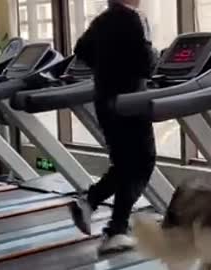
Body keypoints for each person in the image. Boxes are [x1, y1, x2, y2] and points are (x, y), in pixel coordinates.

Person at [68, 0, 157, 254]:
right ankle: (116, 229)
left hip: (105, 100)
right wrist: (156, 59)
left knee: (124, 164)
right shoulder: (136, 18)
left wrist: (108, 66)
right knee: (143, 162)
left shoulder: (101, 20)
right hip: (131, 100)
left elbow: (81, 49)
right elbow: (147, 63)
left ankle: (91, 203)